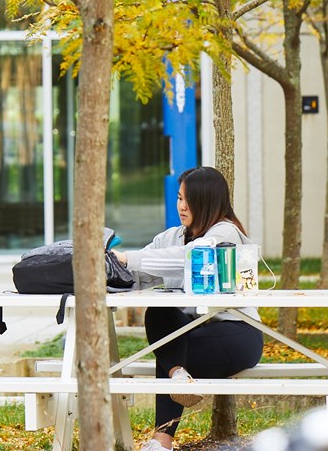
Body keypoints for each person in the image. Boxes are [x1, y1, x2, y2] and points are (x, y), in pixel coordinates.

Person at [112, 166, 264, 451]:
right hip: (195, 332)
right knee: (160, 316)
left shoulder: (225, 233)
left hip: (239, 335)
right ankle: (178, 379)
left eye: (188, 200)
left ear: (206, 201)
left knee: (168, 351)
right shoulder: (171, 237)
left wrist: (128, 258)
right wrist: (109, 270)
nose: (181, 206)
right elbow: (141, 273)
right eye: (179, 198)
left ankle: (163, 439)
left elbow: (190, 257)